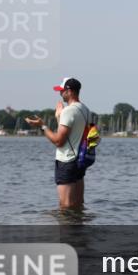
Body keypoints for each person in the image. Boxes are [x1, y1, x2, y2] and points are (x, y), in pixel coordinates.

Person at [26, 77, 92, 209]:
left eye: (62, 90)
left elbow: (59, 141)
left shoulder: (68, 111)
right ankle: (79, 229)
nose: (60, 93)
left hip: (67, 161)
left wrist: (42, 126)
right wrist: (58, 118)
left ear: (69, 91)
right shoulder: (86, 110)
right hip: (80, 160)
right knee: (78, 204)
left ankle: (67, 229)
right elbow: (72, 136)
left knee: (65, 205)